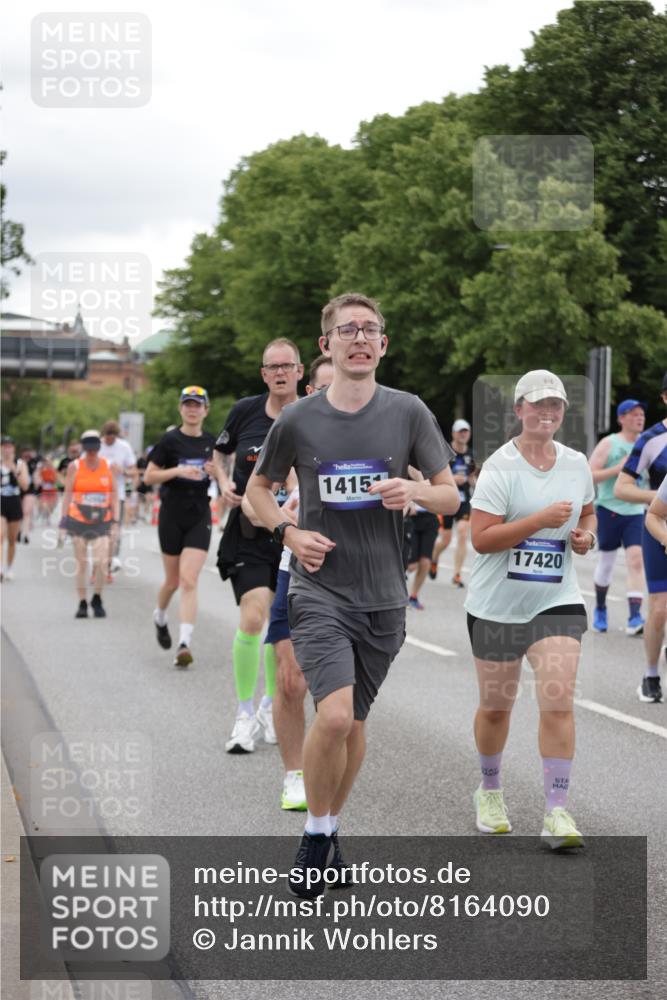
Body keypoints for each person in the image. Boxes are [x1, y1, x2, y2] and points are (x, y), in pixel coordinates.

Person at [246, 292, 458, 897]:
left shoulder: (409, 412)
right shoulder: (299, 420)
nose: (359, 338)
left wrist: (413, 493)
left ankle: (330, 826)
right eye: (347, 330)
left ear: (383, 344)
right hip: (320, 590)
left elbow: (451, 496)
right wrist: (288, 529)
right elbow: (259, 492)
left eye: (370, 330)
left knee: (354, 723)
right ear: (327, 345)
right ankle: (315, 834)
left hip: (385, 596)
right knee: (332, 713)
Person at [465, 370, 596, 850]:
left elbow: (586, 511)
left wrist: (585, 536)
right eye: (538, 405)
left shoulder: (577, 462)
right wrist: (538, 522)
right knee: (497, 708)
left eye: (555, 406)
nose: (547, 413)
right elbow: (481, 539)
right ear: (518, 410)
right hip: (496, 605)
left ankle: (557, 811)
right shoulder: (500, 467)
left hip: (555, 598)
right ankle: (490, 790)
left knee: (558, 697)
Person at [249, 355, 334, 810]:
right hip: (295, 568)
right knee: (291, 680)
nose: (328, 396)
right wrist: (286, 523)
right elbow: (253, 495)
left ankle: (328, 768)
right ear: (309, 391)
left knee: (339, 693)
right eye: (320, 388)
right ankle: (295, 774)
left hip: (356, 577)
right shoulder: (295, 430)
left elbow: (423, 480)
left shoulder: (374, 428)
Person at [214, 338, 304, 754]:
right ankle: (244, 713)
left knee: (280, 630)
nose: (280, 372)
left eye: (287, 365)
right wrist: (224, 485)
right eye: (273, 367)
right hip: (251, 532)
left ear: (300, 371)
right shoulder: (245, 411)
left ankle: (271, 704)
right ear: (264, 374)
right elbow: (218, 453)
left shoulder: (313, 413)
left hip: (296, 534)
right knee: (254, 615)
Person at [144, 386, 217, 667]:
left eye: (197, 405)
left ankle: (184, 643)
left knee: (189, 580)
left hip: (199, 514)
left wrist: (218, 475)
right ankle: (159, 616)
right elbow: (149, 476)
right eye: (187, 404)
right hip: (172, 514)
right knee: (172, 581)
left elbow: (223, 472)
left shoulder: (212, 443)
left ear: (205, 410)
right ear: (180, 409)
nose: (192, 409)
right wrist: (177, 471)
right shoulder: (169, 441)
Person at [615, 373, 667, 704]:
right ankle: (650, 674)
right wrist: (659, 496)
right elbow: (622, 487)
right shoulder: (651, 438)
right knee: (661, 609)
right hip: (658, 525)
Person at [588, 399, 647, 635]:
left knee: (636, 560)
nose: (639, 418)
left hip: (635, 511)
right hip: (609, 509)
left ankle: (634, 617)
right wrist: (617, 470)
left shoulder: (646, 444)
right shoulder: (609, 443)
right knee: (607, 562)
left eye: (642, 414)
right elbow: (589, 475)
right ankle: (600, 608)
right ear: (621, 418)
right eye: (633, 414)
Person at [61, 430, 119, 618]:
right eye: (89, 449)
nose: (92, 453)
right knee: (82, 563)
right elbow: (67, 494)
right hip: (78, 519)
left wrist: (116, 521)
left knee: (102, 561)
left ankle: (97, 597)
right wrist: (63, 522)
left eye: (95, 449)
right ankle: (82, 602)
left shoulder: (108, 466)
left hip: (102, 519)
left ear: (99, 448)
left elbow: (115, 495)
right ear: (84, 448)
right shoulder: (75, 467)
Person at [430, 418, 476, 587]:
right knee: (446, 539)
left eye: (466, 431)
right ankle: (434, 557)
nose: (463, 434)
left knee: (463, 534)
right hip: (446, 499)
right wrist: (451, 480)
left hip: (464, 499)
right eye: (460, 431)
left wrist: (476, 484)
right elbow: (433, 475)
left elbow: (472, 477)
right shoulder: (445, 452)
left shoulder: (471, 455)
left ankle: (457, 575)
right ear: (453, 433)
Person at [99, 420, 136, 572]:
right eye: (107, 437)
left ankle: (113, 556)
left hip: (117, 494)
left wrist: (122, 470)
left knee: (115, 526)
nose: (109, 440)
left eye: (113, 437)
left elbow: (133, 472)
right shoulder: (97, 446)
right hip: (97, 495)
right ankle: (100, 556)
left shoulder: (124, 447)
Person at [1, 436, 29, 580]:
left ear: (13, 448)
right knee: (0, 535)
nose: (6, 449)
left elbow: (25, 485)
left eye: (9, 446)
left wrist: (14, 470)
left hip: (14, 501)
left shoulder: (20, 464)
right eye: (4, 446)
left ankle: (9, 568)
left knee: (12, 539)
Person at [19, 445, 39, 543]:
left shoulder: (34, 463)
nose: (27, 454)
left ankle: (25, 534)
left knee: (27, 512)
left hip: (30, 490)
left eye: (29, 452)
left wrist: (37, 480)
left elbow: (37, 476)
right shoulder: (18, 462)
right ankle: (18, 531)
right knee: (19, 512)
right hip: (18, 490)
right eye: (25, 451)